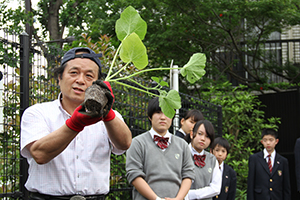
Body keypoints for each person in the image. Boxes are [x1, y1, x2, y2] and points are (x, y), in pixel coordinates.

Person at [20, 47, 132, 200]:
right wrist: (75, 124)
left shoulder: (110, 117)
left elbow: (124, 143)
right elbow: (39, 154)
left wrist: (107, 113)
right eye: (74, 73)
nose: (80, 80)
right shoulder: (38, 113)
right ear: (60, 77)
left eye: (89, 76)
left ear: (98, 83)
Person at [126, 97, 195, 200]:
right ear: (150, 116)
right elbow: (134, 175)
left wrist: (178, 199)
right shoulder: (137, 143)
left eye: (167, 112)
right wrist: (157, 199)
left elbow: (188, 175)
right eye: (158, 112)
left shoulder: (182, 145)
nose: (163, 117)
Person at [247, 128, 291, 200]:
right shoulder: (254, 159)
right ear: (261, 141)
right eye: (265, 140)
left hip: (277, 197)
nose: (268, 143)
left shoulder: (283, 161)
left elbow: (286, 186)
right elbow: (251, 184)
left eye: (271, 140)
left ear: (276, 141)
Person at [188, 120, 222, 200]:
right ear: (192, 134)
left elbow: (216, 188)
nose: (203, 139)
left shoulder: (212, 159)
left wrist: (190, 194)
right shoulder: (182, 153)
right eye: (200, 134)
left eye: (207, 136)